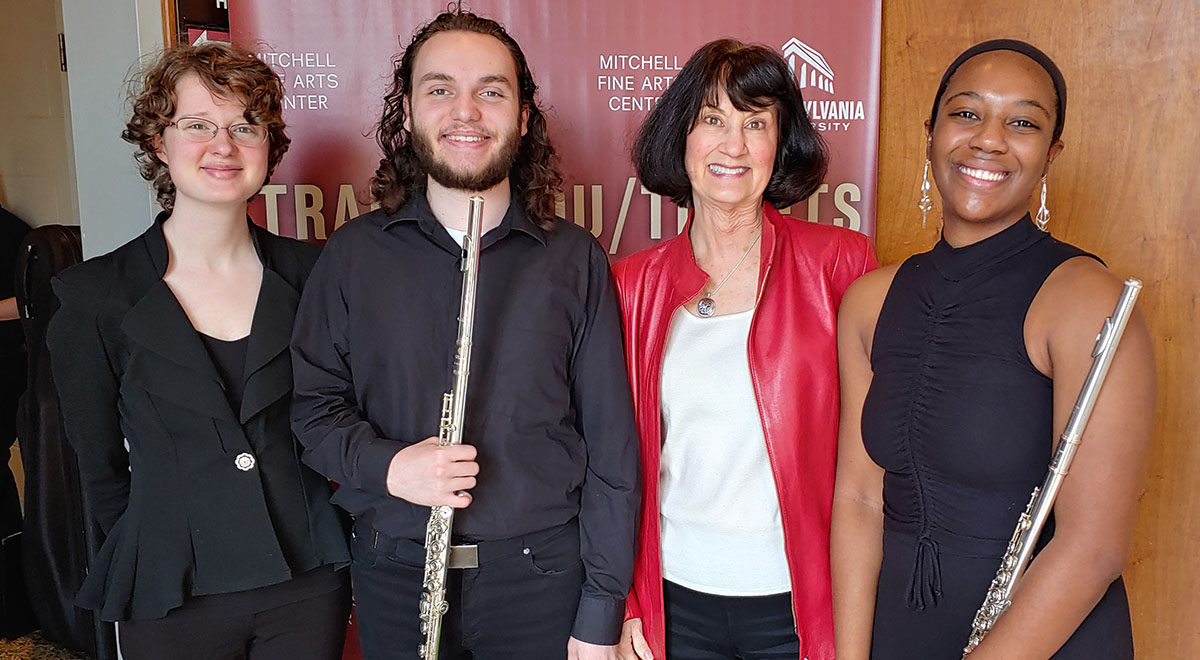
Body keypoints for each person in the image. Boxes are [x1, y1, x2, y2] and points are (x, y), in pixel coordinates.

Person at [289, 8, 639, 660]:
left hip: (542, 577)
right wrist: (390, 466)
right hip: (395, 567)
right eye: (440, 88)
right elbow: (312, 410)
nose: (466, 111)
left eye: (492, 91)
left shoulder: (574, 259)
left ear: (524, 116)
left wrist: (601, 613)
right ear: (410, 110)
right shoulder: (353, 256)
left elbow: (612, 451)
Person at [831, 40, 1155, 660]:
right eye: (966, 113)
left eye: (1024, 123)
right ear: (930, 134)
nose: (989, 140)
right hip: (898, 634)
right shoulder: (869, 302)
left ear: (1051, 154)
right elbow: (859, 500)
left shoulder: (1088, 300)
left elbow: (1094, 548)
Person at [46, 43, 351, 660]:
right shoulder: (95, 296)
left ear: (269, 146)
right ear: (159, 142)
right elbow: (98, 465)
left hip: (307, 578)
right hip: (170, 587)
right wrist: (152, 543)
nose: (224, 145)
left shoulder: (317, 274)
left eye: (245, 126)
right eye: (198, 126)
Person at [612, 39, 878, 660]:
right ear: (682, 136)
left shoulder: (840, 264)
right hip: (673, 602)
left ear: (779, 145)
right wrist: (625, 607)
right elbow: (610, 464)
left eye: (755, 122)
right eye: (712, 120)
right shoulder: (631, 287)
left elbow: (876, 462)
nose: (732, 145)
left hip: (798, 601)